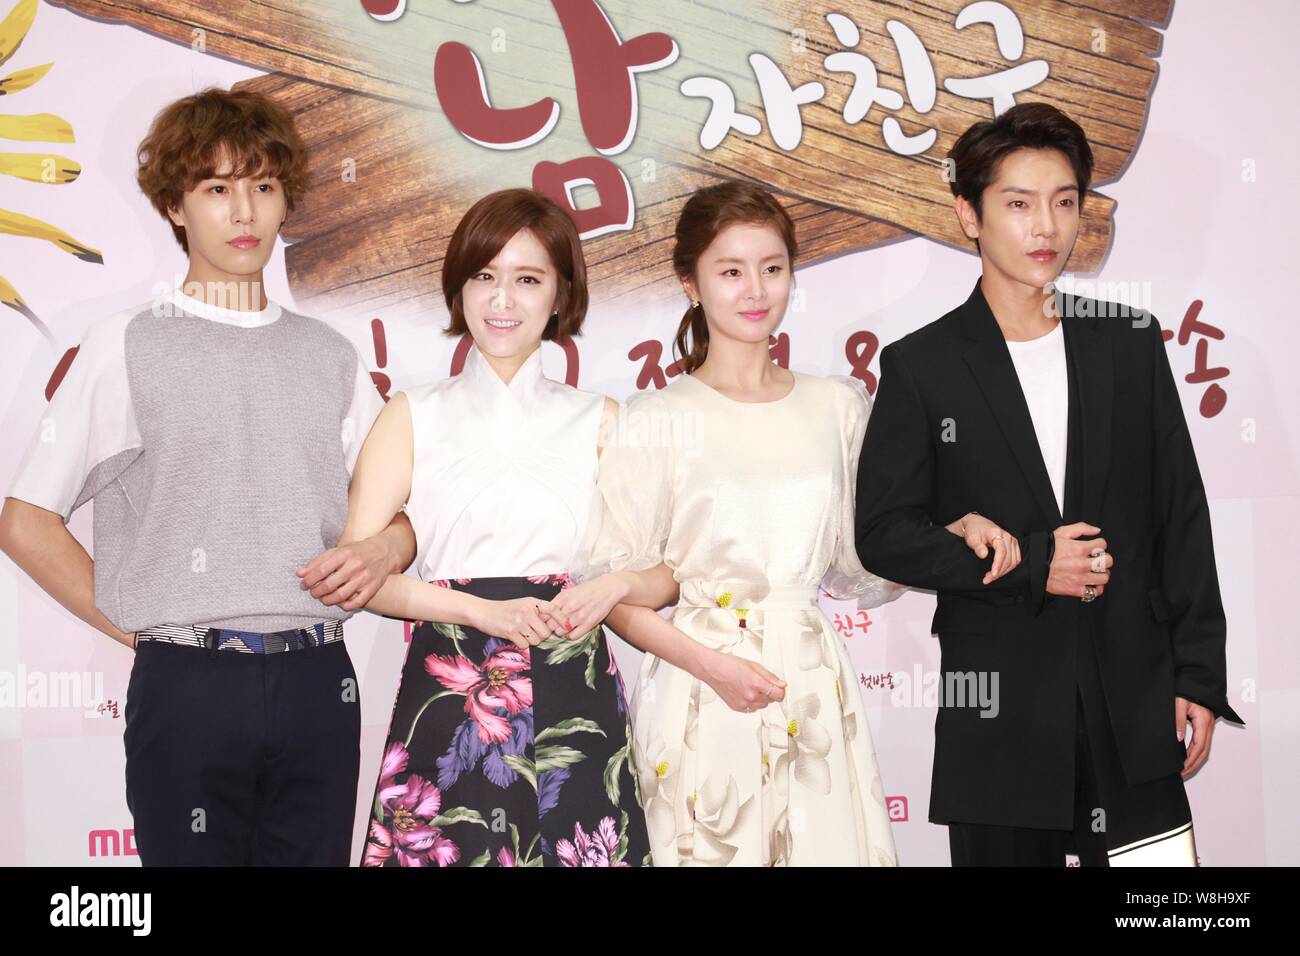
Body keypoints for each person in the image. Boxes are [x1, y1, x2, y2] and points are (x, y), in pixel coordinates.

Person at [0, 87, 412, 865]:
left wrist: (387, 551)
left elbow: (395, 514)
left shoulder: (330, 356)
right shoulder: (125, 344)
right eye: (217, 188)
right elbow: (25, 520)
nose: (244, 211)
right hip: (186, 688)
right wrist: (152, 630)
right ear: (176, 207)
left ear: (287, 199)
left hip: (320, 680)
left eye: (262, 185)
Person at [855, 102, 1243, 866]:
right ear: (969, 214)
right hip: (999, 716)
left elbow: (1181, 517)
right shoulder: (922, 365)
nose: (1046, 227)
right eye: (1019, 203)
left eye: (1065, 202)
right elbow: (884, 535)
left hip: (1133, 703)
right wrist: (1034, 562)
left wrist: (1196, 674)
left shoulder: (1129, 344)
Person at [582, 181, 997, 866]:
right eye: (731, 271)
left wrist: (952, 530)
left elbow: (867, 549)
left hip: (808, 679)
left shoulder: (837, 405)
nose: (755, 290)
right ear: (691, 283)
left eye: (773, 269)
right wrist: (713, 667)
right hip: (696, 690)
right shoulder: (653, 419)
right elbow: (618, 593)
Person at [298, 188, 652, 867]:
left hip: (571, 678)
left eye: (527, 280)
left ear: (561, 294)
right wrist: (478, 611)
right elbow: (363, 578)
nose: (501, 300)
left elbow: (653, 568)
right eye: (484, 276)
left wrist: (610, 588)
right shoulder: (412, 413)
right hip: (453, 678)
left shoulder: (603, 419)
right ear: (459, 287)